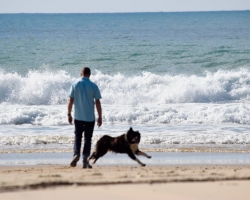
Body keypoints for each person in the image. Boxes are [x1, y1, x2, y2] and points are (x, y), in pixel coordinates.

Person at [68, 67, 102, 168]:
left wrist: (68, 114)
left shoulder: (75, 84)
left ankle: (76, 154)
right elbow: (97, 102)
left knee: (78, 137)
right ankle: (85, 160)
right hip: (89, 118)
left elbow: (70, 100)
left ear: (81, 74)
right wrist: (100, 116)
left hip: (78, 117)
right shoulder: (93, 86)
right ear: (89, 75)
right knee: (88, 139)